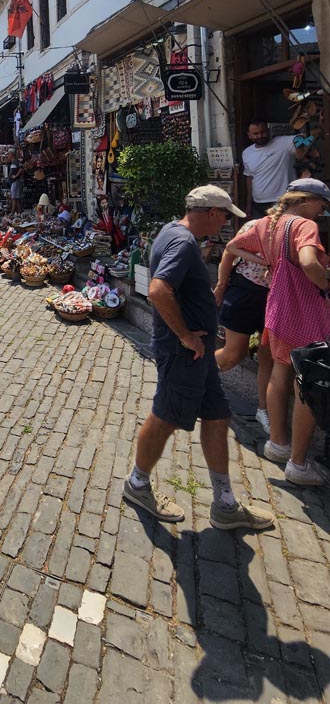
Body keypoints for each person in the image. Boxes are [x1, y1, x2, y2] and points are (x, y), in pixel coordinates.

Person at [123, 185, 275, 531]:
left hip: (197, 352)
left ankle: (224, 502)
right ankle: (137, 484)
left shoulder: (171, 233)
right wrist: (185, 335)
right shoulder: (182, 241)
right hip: (184, 351)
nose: (225, 223)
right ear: (209, 213)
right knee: (164, 417)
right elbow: (158, 290)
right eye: (224, 216)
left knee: (218, 416)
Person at [226, 177, 330, 485]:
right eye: (321, 207)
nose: (321, 213)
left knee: (281, 372)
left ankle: (278, 444)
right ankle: (298, 464)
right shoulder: (303, 225)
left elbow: (233, 246)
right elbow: (309, 262)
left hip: (278, 306)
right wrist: (325, 281)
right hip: (304, 309)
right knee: (310, 380)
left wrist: (270, 261)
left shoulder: (268, 224)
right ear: (306, 200)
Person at [213, 221, 273, 434]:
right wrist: (221, 286)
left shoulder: (301, 231)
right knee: (234, 353)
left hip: (275, 297)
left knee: (268, 355)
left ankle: (263, 409)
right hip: (246, 290)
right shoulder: (258, 226)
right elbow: (229, 252)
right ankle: (195, 375)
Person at [242, 119, 296, 218]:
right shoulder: (246, 153)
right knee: (261, 233)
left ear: (268, 131)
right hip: (258, 205)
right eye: (256, 133)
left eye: (263, 132)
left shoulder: (283, 143)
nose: (260, 136)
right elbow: (250, 179)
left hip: (282, 201)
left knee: (281, 232)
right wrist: (248, 204)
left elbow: (306, 139)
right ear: (249, 135)